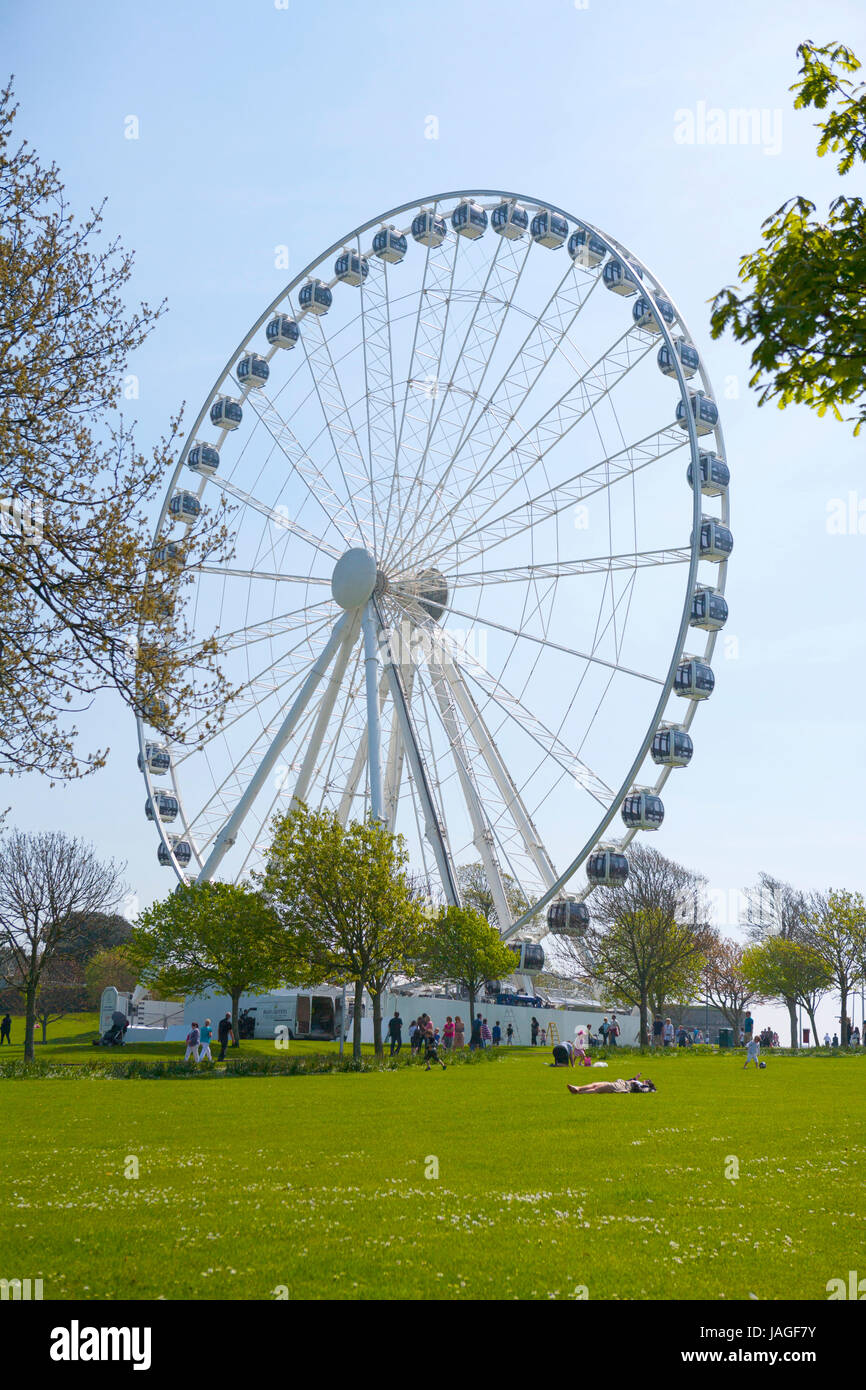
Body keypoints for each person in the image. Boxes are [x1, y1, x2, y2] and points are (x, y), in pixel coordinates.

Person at [567, 1073, 657, 1095]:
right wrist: (635, 1078)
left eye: (647, 1081)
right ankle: (578, 1088)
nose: (645, 1081)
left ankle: (578, 1092)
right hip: (620, 1082)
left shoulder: (645, 1088)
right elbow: (631, 1081)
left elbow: (648, 1090)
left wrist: (648, 1086)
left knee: (598, 1089)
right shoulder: (639, 1082)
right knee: (595, 1084)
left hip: (621, 1086)